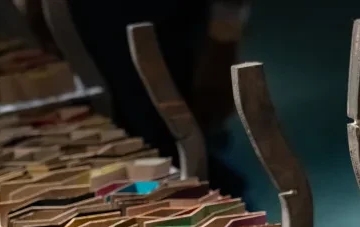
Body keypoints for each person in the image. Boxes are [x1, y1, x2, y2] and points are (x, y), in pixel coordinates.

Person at [67, 0, 249, 197]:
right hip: (88, 19)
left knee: (171, 133)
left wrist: (224, 34)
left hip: (167, 21)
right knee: (115, 131)